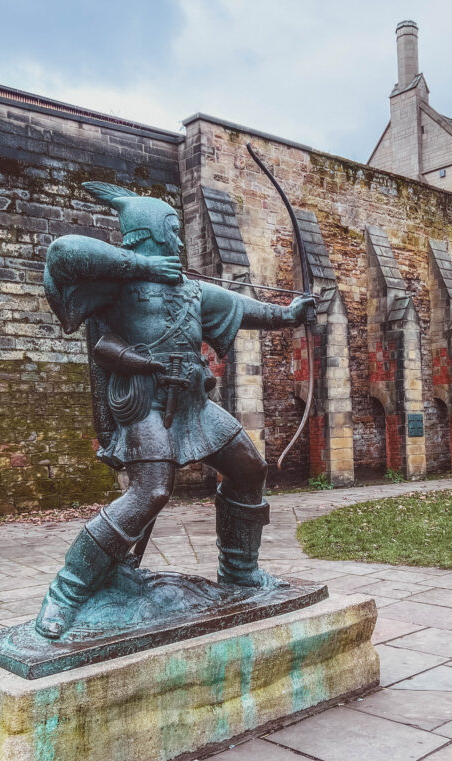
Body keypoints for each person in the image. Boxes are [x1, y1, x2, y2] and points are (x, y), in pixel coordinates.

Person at [35, 181, 314, 639]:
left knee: (249, 468)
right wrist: (143, 266)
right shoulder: (118, 283)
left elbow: (244, 307)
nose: (180, 240)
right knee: (151, 492)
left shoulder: (190, 291)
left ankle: (240, 574)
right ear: (147, 233)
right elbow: (63, 252)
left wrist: (289, 314)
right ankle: (65, 594)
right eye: (172, 228)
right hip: (145, 403)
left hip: (193, 403)